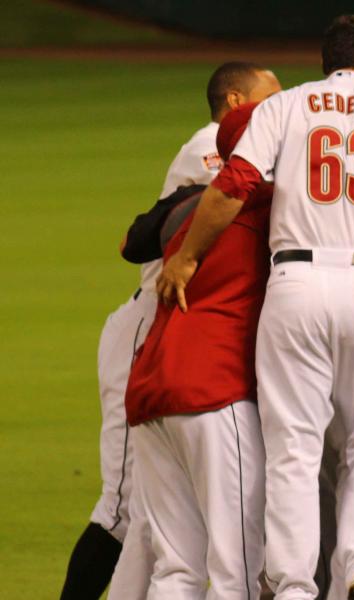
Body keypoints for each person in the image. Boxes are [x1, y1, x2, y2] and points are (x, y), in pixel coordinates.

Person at [157, 15, 354, 600]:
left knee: (294, 447)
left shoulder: (286, 106)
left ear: (326, 61)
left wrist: (186, 258)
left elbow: (234, 184)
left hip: (296, 285)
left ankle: (295, 587)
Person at [61, 61, 280, 600]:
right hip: (163, 330)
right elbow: (160, 229)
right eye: (269, 98)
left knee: (163, 543)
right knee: (122, 509)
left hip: (179, 346)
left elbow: (136, 235)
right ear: (235, 104)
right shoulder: (213, 146)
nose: (282, 107)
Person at [118, 102, 272, 598]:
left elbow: (133, 240)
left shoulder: (185, 207)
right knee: (236, 572)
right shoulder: (273, 205)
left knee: (176, 569)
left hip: (150, 387)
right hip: (212, 389)